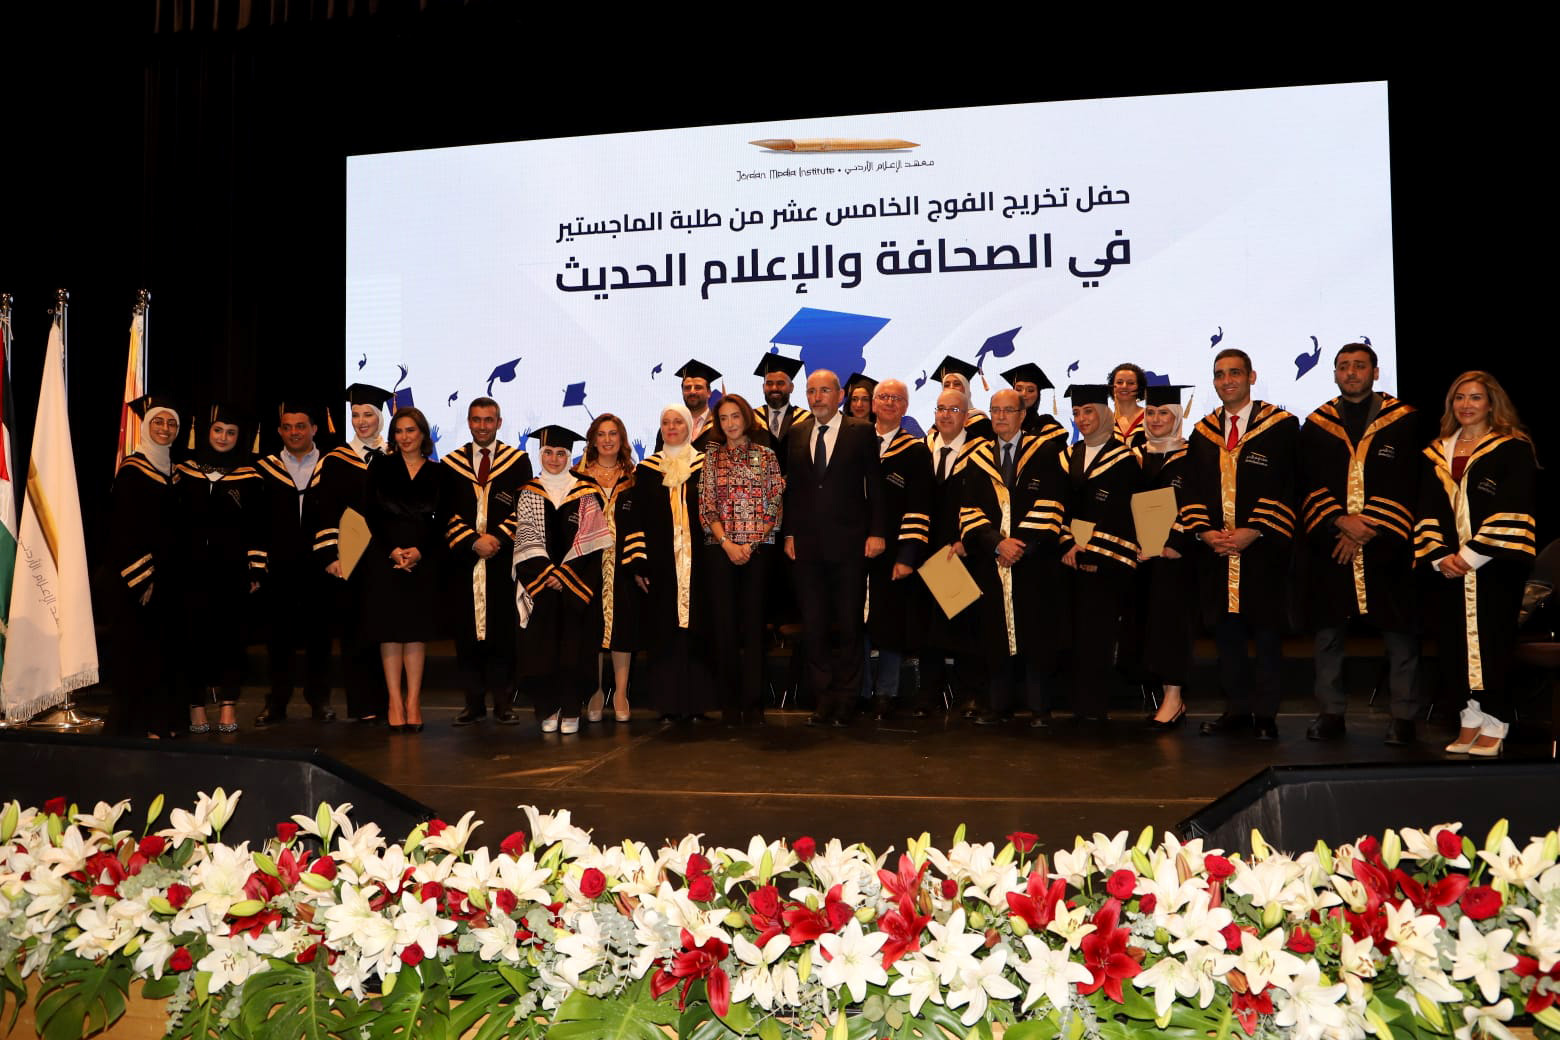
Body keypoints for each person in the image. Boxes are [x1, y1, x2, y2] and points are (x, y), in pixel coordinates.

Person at [1300, 345, 1422, 744]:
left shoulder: (1405, 420)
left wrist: (1368, 526)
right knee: (1328, 633)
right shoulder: (1317, 424)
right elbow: (1307, 481)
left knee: (1400, 634)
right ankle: (1330, 712)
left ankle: (1404, 716)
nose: (1351, 373)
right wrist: (1341, 522)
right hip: (1332, 543)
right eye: (1344, 367)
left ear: (1375, 371)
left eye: (1359, 366)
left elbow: (1410, 480)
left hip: (1388, 545)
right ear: (1334, 374)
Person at [1414, 372, 1538, 757]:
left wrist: (1469, 556)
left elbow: (1513, 506)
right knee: (1453, 644)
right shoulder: (1437, 452)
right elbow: (1427, 508)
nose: (1466, 405)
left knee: (1492, 641)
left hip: (1494, 565)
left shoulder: (1512, 448)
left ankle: (1496, 721)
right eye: (1459, 398)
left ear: (1491, 403)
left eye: (1475, 398)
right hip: (1448, 569)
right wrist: (1439, 556)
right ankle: (1468, 716)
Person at [1180, 349, 1299, 742]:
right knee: (1226, 636)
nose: (1226, 380)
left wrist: (1255, 529)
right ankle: (1236, 708)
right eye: (1219, 374)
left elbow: (1289, 484)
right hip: (1216, 552)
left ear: (1251, 376)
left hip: (1262, 550)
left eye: (1234, 373)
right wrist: (1204, 531)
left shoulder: (1281, 426)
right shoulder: (1203, 432)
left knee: (1265, 635)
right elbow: (1192, 488)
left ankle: (1265, 715)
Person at [784, 369, 886, 726]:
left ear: (840, 395)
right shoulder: (797, 432)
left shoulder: (861, 431)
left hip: (850, 544)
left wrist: (877, 532)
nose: (817, 397)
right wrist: (789, 534)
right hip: (808, 546)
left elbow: (875, 485)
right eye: (811, 391)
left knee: (848, 623)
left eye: (824, 390)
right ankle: (824, 696)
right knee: (814, 624)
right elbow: (794, 490)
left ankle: (847, 697)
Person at [962, 387, 1068, 727]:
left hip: (1033, 562)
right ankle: (999, 705)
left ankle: (1039, 707)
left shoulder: (1045, 451)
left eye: (1008, 410)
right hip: (992, 561)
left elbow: (1051, 504)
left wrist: (1018, 547)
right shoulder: (977, 456)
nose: (1001, 416)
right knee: (994, 634)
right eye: (995, 410)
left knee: (1036, 634)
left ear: (1022, 415)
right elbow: (969, 510)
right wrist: (997, 544)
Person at [512, 426, 613, 734]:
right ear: (540, 454)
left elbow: (591, 542)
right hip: (540, 587)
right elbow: (525, 538)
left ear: (569, 456)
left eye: (560, 453)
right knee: (542, 651)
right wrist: (547, 574)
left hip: (575, 587)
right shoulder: (529, 492)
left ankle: (571, 708)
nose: (554, 459)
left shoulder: (586, 491)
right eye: (548, 453)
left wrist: (564, 575)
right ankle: (548, 707)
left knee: (575, 650)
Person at [622, 404, 717, 722]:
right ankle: (668, 704)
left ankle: (699, 703)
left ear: (690, 427)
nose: (672, 427)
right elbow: (636, 518)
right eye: (666, 422)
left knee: (700, 630)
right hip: (661, 566)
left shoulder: (706, 465)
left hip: (702, 564)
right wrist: (638, 564)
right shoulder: (648, 470)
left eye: (678, 422)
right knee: (665, 633)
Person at [176, 402, 264, 734]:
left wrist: (255, 568)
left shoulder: (250, 476)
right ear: (206, 431)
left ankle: (228, 706)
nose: (223, 437)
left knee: (232, 640)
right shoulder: (183, 472)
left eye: (231, 432)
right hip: (190, 572)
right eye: (218, 430)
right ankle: (196, 707)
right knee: (191, 640)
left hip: (232, 572)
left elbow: (258, 526)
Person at [442, 397, 530, 727]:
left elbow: (523, 507)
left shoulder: (517, 461)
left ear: (499, 423)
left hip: (502, 559)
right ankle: (473, 703)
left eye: (488, 420)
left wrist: (496, 538)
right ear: (468, 422)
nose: (482, 426)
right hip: (464, 561)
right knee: (467, 634)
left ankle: (504, 702)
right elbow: (445, 512)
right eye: (476, 420)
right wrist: (472, 541)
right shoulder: (451, 464)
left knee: (502, 634)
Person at [699, 394, 785, 726]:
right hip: (720, 550)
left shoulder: (766, 456)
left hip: (757, 551)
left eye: (735, 416)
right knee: (724, 627)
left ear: (746, 418)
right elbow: (707, 505)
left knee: (754, 627)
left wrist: (749, 544)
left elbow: (774, 503)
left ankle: (754, 703)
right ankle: (729, 704)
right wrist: (727, 543)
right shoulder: (711, 458)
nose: (730, 423)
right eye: (723, 418)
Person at [1057, 385, 1141, 722]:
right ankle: (1072, 702)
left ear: (1106, 414)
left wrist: (1088, 549)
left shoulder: (1125, 460)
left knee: (1097, 636)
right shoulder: (1067, 456)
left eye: (1089, 411)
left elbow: (1123, 514)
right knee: (1071, 634)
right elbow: (1058, 505)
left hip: (1105, 563)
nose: (1082, 418)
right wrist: (1067, 543)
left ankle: (1093, 706)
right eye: (1077, 413)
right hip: (1067, 560)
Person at [360, 407, 445, 733]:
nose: (405, 437)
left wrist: (419, 551)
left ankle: (413, 702)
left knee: (415, 633)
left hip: (422, 558)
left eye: (411, 430)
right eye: (399, 431)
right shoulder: (380, 466)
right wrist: (392, 550)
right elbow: (370, 514)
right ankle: (394, 701)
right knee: (390, 632)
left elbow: (442, 520)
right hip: (385, 556)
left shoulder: (438, 472)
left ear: (423, 434)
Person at [253, 400, 335, 726]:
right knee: (278, 640)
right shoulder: (264, 469)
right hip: (280, 566)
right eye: (287, 427)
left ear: (314, 429)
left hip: (320, 565)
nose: (294, 432)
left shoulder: (332, 466)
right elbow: (256, 520)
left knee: (320, 638)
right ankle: (277, 701)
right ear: (279, 431)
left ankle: (319, 700)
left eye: (301, 426)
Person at [314, 383, 392, 724]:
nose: (361, 422)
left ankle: (390, 703)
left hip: (389, 557)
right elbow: (325, 510)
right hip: (351, 556)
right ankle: (362, 705)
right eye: (356, 415)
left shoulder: (396, 455)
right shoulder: (336, 460)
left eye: (368, 415)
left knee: (387, 631)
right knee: (355, 631)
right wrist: (331, 556)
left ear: (380, 418)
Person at [106, 396, 183, 738]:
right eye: (158, 422)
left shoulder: (175, 471)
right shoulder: (132, 471)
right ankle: (136, 726)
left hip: (170, 579)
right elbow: (122, 528)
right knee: (138, 653)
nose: (165, 429)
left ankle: (162, 722)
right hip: (139, 580)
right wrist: (144, 578)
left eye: (171, 423)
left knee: (165, 654)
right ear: (146, 426)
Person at [862, 378, 932, 718]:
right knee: (855, 621)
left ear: (905, 407)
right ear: (873, 403)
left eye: (897, 398)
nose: (890, 403)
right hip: (853, 549)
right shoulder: (856, 442)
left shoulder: (916, 451)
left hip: (893, 551)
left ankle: (885, 692)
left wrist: (907, 556)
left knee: (889, 623)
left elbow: (919, 507)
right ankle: (860, 689)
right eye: (884, 397)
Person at [918, 386, 990, 717]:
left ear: (966, 417)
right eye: (941, 409)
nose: (946, 415)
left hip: (960, 550)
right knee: (927, 626)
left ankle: (969, 694)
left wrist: (968, 540)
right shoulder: (923, 449)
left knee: (964, 625)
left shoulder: (981, 453)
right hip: (926, 550)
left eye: (954, 410)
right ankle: (928, 695)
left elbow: (988, 503)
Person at [1131, 385, 1197, 730]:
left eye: (1164, 413)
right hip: (1140, 556)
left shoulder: (1193, 455)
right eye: (1151, 413)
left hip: (1173, 556)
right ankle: (1157, 692)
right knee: (1146, 624)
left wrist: (1174, 541)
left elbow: (1199, 502)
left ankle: (1174, 697)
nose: (1156, 420)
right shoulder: (1134, 456)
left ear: (1178, 417)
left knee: (1171, 625)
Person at [577, 412, 636, 723]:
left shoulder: (634, 476)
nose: (607, 440)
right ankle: (596, 690)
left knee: (623, 626)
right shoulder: (579, 476)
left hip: (623, 562)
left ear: (621, 438)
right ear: (593, 440)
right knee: (592, 627)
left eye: (613, 434)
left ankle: (621, 692)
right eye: (601, 434)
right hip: (589, 562)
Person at [654, 359, 721, 451]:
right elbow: (658, 458)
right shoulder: (668, 429)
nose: (692, 392)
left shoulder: (720, 426)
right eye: (687, 388)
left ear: (709, 392)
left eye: (698, 387)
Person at [755, 352, 809, 465]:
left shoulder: (806, 420)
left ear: (791, 387)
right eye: (769, 384)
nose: (774, 388)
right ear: (763, 387)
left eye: (780, 383)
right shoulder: (752, 418)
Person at [930, 356, 993, 441]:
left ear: (966, 388)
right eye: (946, 385)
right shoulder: (936, 427)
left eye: (957, 384)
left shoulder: (981, 422)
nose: (951, 388)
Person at [1002, 362, 1055, 434]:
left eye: (1030, 390)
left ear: (1038, 395)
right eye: (1019, 389)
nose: (1023, 394)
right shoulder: (1002, 422)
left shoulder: (1045, 425)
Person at [1109, 363, 1148, 447]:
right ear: (1112, 386)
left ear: (1139, 387)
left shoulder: (1151, 418)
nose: (1124, 386)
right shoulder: (1106, 423)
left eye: (1131, 383)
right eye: (1119, 382)